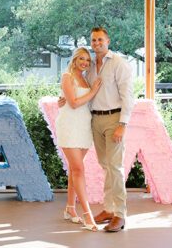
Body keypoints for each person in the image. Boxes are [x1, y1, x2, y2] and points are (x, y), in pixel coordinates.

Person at [86, 26, 134, 232]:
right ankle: (108, 209)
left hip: (114, 119)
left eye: (100, 40)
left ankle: (120, 215)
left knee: (115, 167)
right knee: (105, 165)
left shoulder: (119, 64)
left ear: (108, 41)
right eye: (94, 40)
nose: (97, 43)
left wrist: (122, 125)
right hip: (95, 119)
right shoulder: (89, 65)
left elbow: (128, 97)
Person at [56, 47, 102, 231]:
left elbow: (75, 101)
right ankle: (87, 214)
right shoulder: (68, 76)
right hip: (69, 125)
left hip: (84, 126)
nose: (84, 62)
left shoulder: (86, 78)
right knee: (78, 169)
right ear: (75, 60)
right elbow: (73, 103)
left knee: (75, 170)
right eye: (81, 59)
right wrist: (92, 92)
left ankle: (69, 209)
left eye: (87, 60)